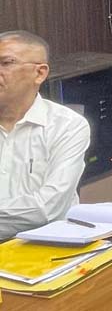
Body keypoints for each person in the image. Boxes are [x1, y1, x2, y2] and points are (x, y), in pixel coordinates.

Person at [0, 31, 91, 239]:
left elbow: (48, 208)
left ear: (39, 73)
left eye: (6, 63)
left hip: (47, 244)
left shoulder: (67, 125)